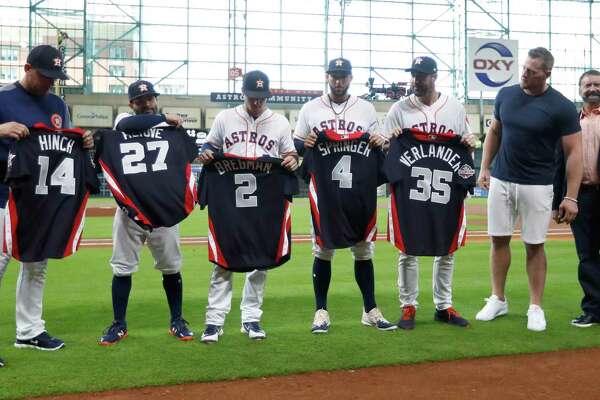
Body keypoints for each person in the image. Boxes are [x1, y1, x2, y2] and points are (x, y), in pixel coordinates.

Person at [476, 47, 583, 331]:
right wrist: (485, 167)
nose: (524, 74)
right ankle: (498, 299)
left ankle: (535, 306)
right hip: (501, 179)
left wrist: (570, 196)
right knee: (498, 240)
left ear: (546, 74)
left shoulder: (561, 107)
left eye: (531, 71)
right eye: (523, 68)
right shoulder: (506, 95)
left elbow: (574, 153)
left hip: (538, 184)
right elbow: (495, 132)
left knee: (534, 246)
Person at [293, 57, 396, 334]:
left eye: (343, 76)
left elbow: (380, 143)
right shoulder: (310, 108)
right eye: (334, 76)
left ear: (351, 78)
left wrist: (380, 141)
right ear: (327, 76)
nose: (338, 81)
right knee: (323, 248)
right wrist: (305, 144)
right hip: (326, 192)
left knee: (363, 249)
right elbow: (296, 146)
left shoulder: (365, 108)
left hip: (358, 191)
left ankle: (370, 310)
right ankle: (320, 311)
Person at [0, 45, 92, 351]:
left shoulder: (56, 104)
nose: (50, 82)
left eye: (55, 76)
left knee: (36, 265)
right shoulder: (3, 98)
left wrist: (84, 140)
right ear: (27, 69)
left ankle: (29, 332)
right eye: (45, 76)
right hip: (2, 195)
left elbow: (62, 145)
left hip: (38, 199)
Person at [198, 70, 299, 343]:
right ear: (243, 93)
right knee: (224, 261)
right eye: (253, 97)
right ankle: (214, 321)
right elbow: (209, 146)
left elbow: (291, 153)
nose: (257, 103)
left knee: (260, 261)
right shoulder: (224, 118)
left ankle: (251, 318)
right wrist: (207, 152)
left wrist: (292, 160)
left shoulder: (279, 122)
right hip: (229, 200)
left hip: (264, 202)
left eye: (262, 98)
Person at [381, 56, 477, 330]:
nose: (416, 80)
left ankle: (443, 306)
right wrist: (391, 141)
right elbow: (385, 152)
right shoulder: (399, 109)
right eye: (413, 75)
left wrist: (471, 146)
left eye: (421, 75)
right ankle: (408, 305)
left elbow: (466, 149)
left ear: (434, 77)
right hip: (410, 190)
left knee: (446, 248)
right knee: (407, 249)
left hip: (445, 189)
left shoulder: (455, 108)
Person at [98, 79, 195, 345]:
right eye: (141, 100)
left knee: (172, 267)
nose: (148, 104)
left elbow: (190, 152)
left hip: (164, 210)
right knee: (122, 268)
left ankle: (177, 320)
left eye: (151, 98)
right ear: (132, 104)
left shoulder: (169, 129)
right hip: (129, 212)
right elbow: (128, 125)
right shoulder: (124, 121)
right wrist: (165, 119)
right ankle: (119, 324)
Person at [554, 69, 600, 328]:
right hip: (580, 196)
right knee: (587, 256)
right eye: (587, 84)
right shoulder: (570, 122)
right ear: (580, 89)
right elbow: (558, 164)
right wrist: (556, 202)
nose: (592, 88)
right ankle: (593, 310)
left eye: (597, 84)